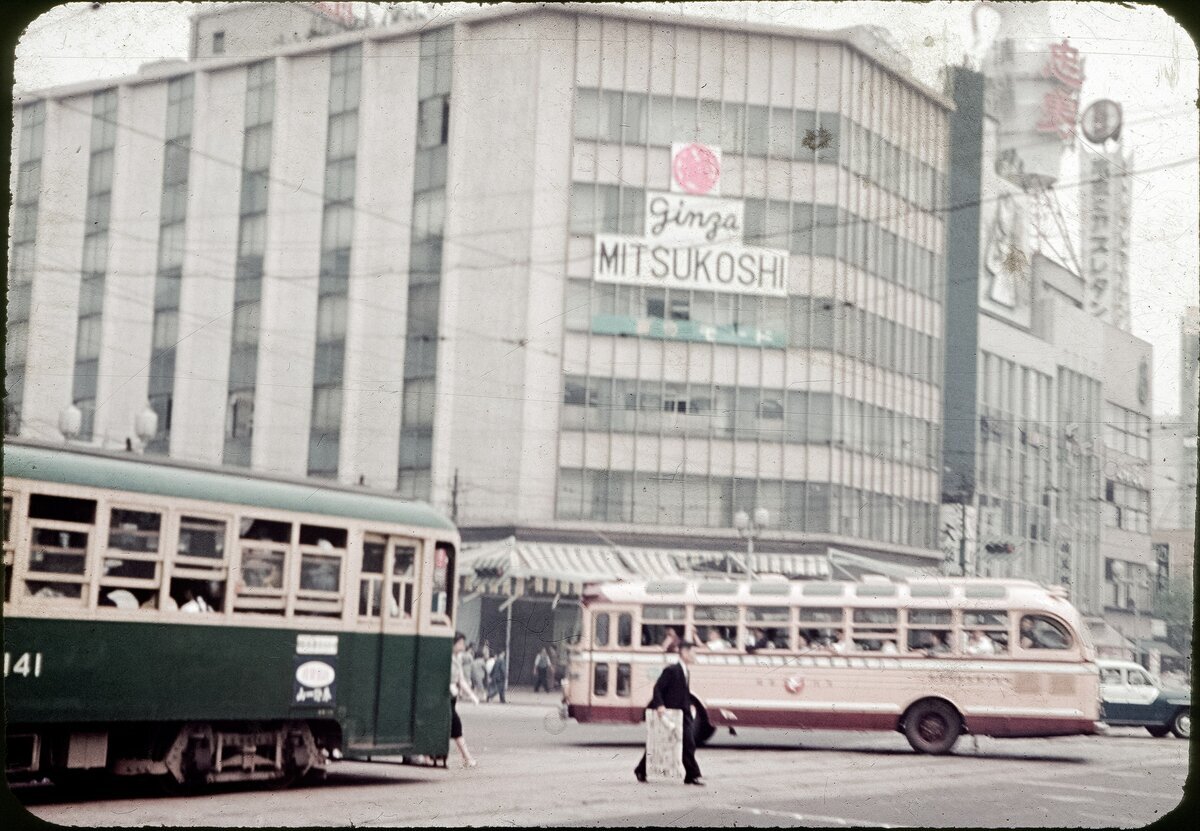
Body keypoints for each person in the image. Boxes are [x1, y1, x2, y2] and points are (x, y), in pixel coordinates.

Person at [634, 641, 704, 786]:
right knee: (662, 742)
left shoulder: (686, 671)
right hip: (671, 713)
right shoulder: (672, 670)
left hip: (683, 713)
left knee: (687, 743)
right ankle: (641, 769)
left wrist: (689, 705)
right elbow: (658, 688)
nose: (694, 656)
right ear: (684, 653)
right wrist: (659, 705)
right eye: (693, 652)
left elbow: (683, 691)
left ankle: (691, 775)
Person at [449, 632, 479, 768]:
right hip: (445, 697)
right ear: (454, 643)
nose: (462, 646)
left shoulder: (458, 657)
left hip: (452, 697)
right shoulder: (447, 657)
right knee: (456, 726)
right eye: (460, 643)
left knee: (452, 727)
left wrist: (471, 695)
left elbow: (460, 679)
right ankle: (467, 757)